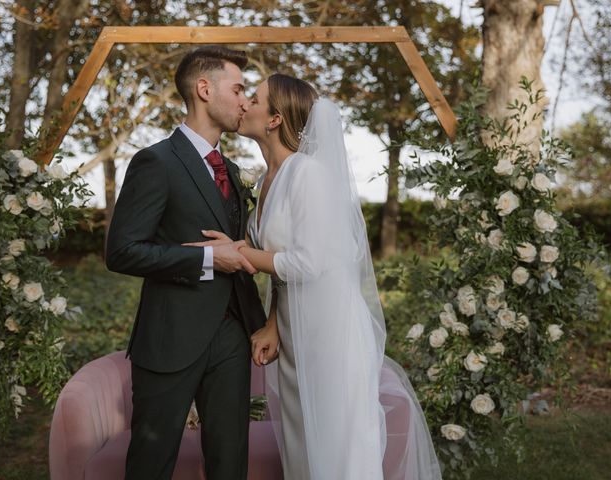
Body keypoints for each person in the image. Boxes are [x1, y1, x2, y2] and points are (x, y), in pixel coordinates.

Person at [202, 73, 442, 479]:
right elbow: (284, 271)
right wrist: (274, 325)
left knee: (337, 452)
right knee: (303, 451)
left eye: (254, 99)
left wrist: (238, 252)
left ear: (276, 118)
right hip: (296, 335)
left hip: (330, 337)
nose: (244, 104)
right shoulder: (264, 181)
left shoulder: (308, 174)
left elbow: (308, 263)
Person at [105, 45, 267, 480]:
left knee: (230, 463)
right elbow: (122, 251)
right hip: (169, 338)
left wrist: (260, 324)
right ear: (203, 89)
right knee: (150, 465)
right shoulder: (155, 162)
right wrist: (211, 259)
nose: (244, 100)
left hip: (232, 336)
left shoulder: (231, 170)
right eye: (237, 89)